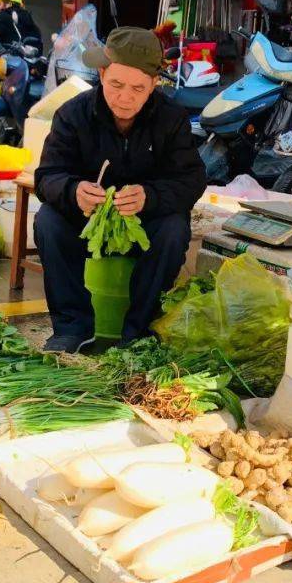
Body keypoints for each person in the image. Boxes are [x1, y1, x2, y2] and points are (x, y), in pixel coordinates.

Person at [34, 27, 207, 351]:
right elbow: (47, 176)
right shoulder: (73, 115)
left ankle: (137, 331)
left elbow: (191, 180)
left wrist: (150, 197)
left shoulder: (172, 119)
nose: (125, 97)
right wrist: (73, 191)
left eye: (138, 88)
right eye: (116, 84)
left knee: (173, 228)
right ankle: (72, 328)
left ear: (155, 84)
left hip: (143, 220)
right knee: (48, 221)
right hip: (87, 221)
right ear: (101, 73)